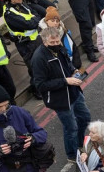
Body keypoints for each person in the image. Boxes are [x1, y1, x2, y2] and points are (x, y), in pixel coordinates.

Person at [33, 26, 94, 161]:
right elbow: (40, 85)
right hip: (60, 99)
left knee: (85, 118)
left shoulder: (60, 48)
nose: (56, 45)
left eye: (57, 41)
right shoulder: (39, 59)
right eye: (52, 43)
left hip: (74, 92)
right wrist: (65, 81)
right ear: (44, 42)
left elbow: (68, 64)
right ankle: (72, 155)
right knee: (71, 128)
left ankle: (79, 144)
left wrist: (74, 72)